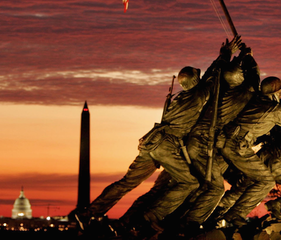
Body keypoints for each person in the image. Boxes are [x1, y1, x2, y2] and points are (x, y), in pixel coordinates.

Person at [71, 38, 236, 233]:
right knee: (190, 182)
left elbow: (207, 77)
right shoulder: (198, 94)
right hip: (167, 145)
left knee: (126, 183)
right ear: (194, 81)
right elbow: (213, 76)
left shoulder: (179, 97)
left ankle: (88, 213)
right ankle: (154, 215)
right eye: (197, 78)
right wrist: (225, 54)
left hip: (151, 142)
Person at [215, 76, 281, 226]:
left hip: (224, 142)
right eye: (279, 93)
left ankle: (219, 210)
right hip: (238, 147)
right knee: (266, 181)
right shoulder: (276, 109)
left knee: (243, 182)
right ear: (274, 93)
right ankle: (235, 214)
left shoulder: (253, 101)